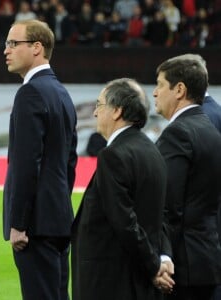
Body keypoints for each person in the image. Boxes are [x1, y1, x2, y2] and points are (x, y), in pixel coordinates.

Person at [71, 78, 174, 300]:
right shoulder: (153, 151)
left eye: (99, 106)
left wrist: (154, 266)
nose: (96, 113)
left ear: (117, 111)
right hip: (136, 281)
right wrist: (163, 258)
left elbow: (124, 221)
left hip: (110, 281)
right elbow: (160, 215)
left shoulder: (113, 155)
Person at [2, 19, 78, 300]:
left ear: (37, 48)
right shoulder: (62, 93)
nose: (6, 50)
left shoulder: (30, 93)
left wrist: (19, 223)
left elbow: (25, 164)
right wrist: (57, 203)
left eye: (13, 43)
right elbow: (70, 161)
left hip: (35, 226)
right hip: (58, 219)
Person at [153, 57, 221, 300]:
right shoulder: (209, 128)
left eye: (160, 85)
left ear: (179, 90)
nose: (154, 93)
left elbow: (168, 205)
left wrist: (162, 256)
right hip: (207, 257)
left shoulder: (178, 133)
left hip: (182, 266)